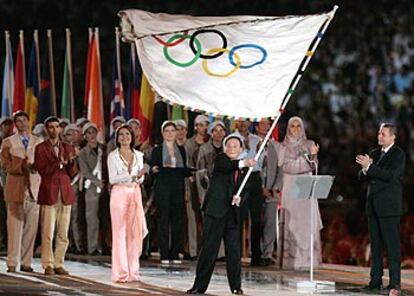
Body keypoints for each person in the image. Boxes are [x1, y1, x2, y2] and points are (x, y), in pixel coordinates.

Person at [186, 135, 256, 295]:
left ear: (241, 150)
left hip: (233, 215)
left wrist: (240, 199)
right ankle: (199, 287)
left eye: (235, 146)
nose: (231, 148)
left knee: (234, 252)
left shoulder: (246, 170)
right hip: (215, 212)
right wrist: (243, 162)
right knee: (209, 250)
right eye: (229, 145)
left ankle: (236, 287)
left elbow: (246, 190)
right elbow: (227, 167)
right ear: (225, 148)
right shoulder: (221, 160)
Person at [356, 123, 405, 295]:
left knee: (392, 247)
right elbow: (362, 177)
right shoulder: (374, 153)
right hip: (373, 206)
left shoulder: (398, 154)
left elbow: (389, 176)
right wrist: (364, 169)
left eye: (383, 134)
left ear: (392, 137)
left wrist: (370, 167)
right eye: (379, 133)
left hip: (389, 207)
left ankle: (395, 284)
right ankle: (375, 282)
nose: (379, 136)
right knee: (375, 247)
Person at [34, 116, 78, 275]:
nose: (54, 130)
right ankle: (47, 264)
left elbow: (73, 173)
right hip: (49, 192)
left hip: (65, 192)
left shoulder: (67, 147)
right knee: (47, 231)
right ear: (47, 129)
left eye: (57, 127)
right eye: (51, 127)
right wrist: (59, 162)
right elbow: (42, 169)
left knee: (63, 232)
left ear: (60, 129)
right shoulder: (40, 148)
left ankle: (59, 262)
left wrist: (71, 162)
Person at [0, 111, 42, 272]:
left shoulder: (38, 141)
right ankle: (12, 262)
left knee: (31, 228)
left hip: (34, 188)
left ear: (29, 122)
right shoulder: (8, 142)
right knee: (14, 226)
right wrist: (21, 166)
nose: (22, 123)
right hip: (15, 187)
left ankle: (26, 262)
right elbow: (4, 164)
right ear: (15, 124)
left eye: (24, 120)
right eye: (18, 121)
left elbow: (43, 162)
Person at [279, 116, 322, 270]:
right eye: (292, 126)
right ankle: (292, 262)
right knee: (292, 224)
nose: (295, 129)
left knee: (306, 224)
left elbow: (313, 165)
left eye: (298, 126)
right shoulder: (282, 147)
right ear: (288, 128)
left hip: (305, 188)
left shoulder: (309, 144)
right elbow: (286, 167)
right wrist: (306, 163)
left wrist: (312, 157)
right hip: (290, 188)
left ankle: (308, 262)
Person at [107, 124, 147, 282]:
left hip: (134, 193)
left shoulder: (139, 155)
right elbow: (112, 179)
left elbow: (141, 177)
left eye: (127, 134)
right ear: (117, 138)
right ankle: (120, 272)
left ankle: (133, 272)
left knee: (134, 233)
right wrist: (130, 176)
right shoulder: (113, 156)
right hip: (119, 193)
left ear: (132, 137)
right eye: (121, 135)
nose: (125, 138)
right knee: (119, 233)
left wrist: (139, 176)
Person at [149, 121, 189, 264]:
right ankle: (164, 253)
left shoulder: (182, 150)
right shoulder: (157, 150)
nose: (170, 133)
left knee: (177, 220)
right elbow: (152, 167)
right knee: (164, 220)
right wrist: (154, 169)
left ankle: (175, 252)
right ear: (163, 133)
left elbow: (185, 168)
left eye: (173, 130)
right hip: (163, 186)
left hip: (177, 186)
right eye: (167, 131)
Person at [235, 119, 264, 266]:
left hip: (254, 177)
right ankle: (236, 255)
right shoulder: (231, 139)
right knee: (239, 218)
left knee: (256, 218)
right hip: (240, 176)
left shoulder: (257, 140)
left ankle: (256, 255)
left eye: (245, 121)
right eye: (240, 121)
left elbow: (262, 161)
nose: (243, 124)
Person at [78, 122, 106, 256]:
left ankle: (105, 246)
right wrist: (97, 182)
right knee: (92, 218)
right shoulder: (83, 153)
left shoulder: (104, 149)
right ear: (85, 136)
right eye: (88, 133)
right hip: (92, 188)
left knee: (105, 218)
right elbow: (85, 171)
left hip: (106, 186)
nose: (92, 135)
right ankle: (93, 247)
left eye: (93, 132)